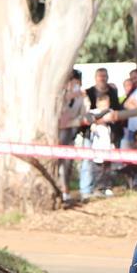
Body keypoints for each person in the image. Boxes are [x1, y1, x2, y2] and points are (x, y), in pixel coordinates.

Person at [57, 69, 88, 202]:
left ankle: (66, 190)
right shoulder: (60, 95)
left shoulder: (81, 97)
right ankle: (59, 189)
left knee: (67, 162)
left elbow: (84, 111)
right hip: (58, 132)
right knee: (58, 162)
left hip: (71, 131)